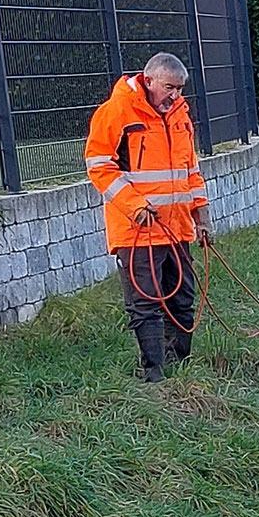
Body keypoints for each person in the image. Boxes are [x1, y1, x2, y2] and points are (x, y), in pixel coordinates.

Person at [86, 53, 212, 382]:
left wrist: (202, 215)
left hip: (179, 228)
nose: (176, 95)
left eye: (180, 89)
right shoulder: (116, 112)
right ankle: (154, 373)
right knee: (145, 303)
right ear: (150, 80)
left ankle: (180, 365)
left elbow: (191, 170)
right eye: (170, 87)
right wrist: (135, 205)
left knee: (182, 298)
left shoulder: (181, 115)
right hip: (137, 231)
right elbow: (99, 166)